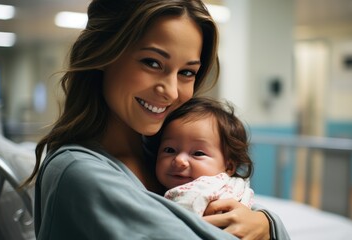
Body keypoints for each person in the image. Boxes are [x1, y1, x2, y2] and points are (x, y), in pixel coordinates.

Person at [22, 0, 290, 239]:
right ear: (103, 53)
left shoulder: (160, 157)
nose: (172, 92)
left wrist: (264, 221)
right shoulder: (78, 172)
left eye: (186, 72)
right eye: (152, 63)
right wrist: (271, 228)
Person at [156, 97, 254, 216]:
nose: (179, 160)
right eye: (169, 150)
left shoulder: (205, 191)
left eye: (198, 153)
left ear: (229, 167)